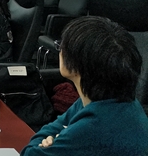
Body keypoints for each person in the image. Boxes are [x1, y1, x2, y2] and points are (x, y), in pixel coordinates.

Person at [21, 16, 148, 155]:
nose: (60, 51)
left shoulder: (94, 127)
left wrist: (48, 139)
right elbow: (58, 124)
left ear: (78, 64)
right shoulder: (113, 100)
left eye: (61, 46)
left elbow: (29, 153)